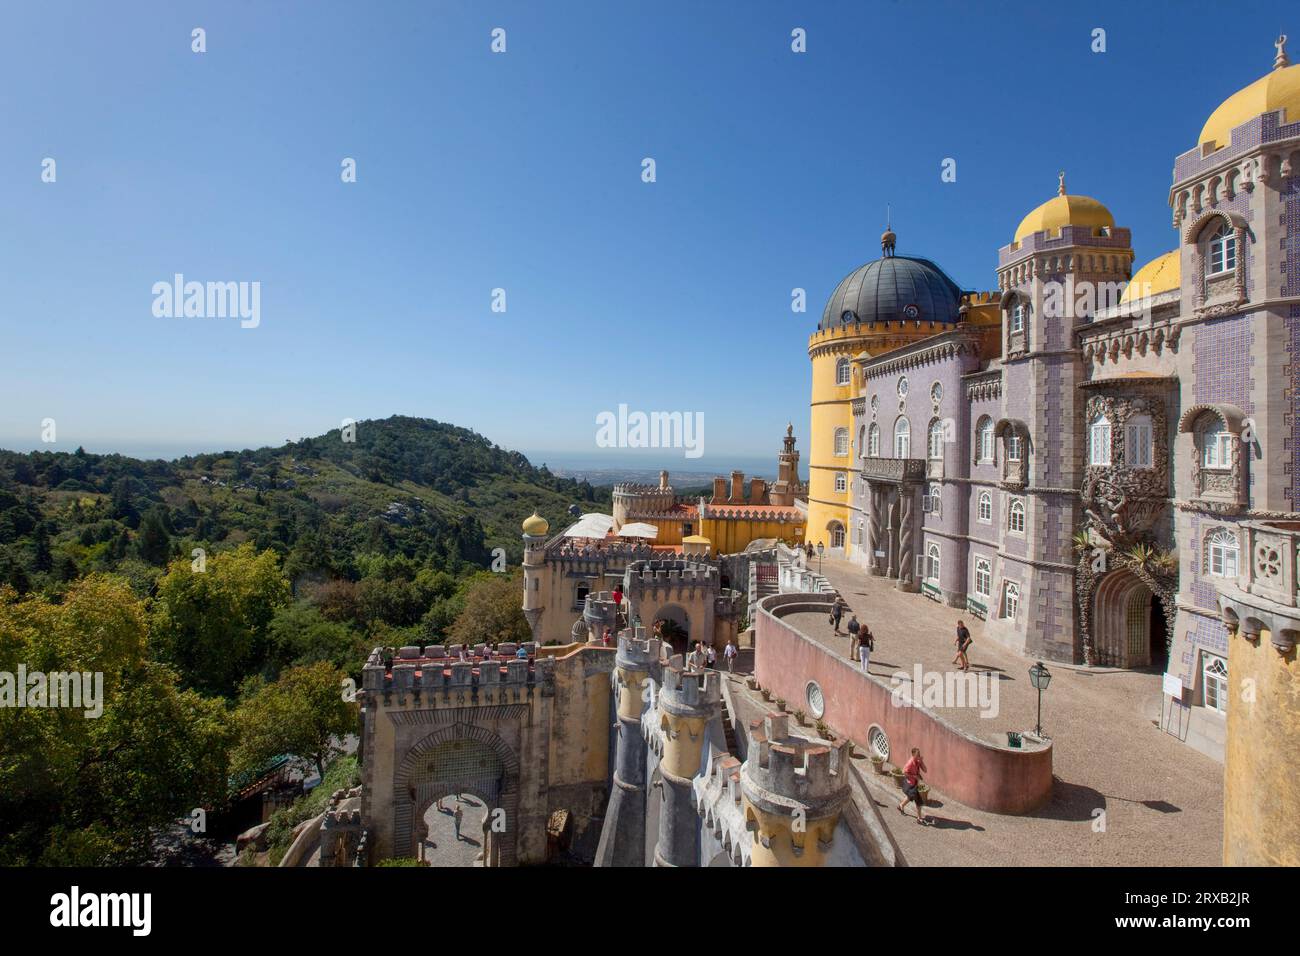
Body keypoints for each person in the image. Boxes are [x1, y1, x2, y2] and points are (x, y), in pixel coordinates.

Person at [896, 748, 928, 824]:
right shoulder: (910, 763)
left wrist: (921, 762)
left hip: (915, 784)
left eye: (919, 754)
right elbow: (904, 772)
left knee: (910, 797)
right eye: (917, 755)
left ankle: (901, 806)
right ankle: (919, 819)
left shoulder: (918, 761)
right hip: (911, 784)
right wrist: (914, 776)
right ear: (913, 755)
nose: (918, 756)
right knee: (919, 802)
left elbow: (925, 770)